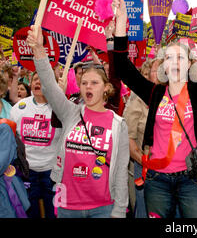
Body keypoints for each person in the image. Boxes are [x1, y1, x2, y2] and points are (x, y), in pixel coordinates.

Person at [112, 0, 197, 218]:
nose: (174, 62)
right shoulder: (154, 93)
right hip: (157, 180)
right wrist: (122, 22)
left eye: (180, 57)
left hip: (192, 180)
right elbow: (123, 68)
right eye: (170, 58)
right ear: (163, 65)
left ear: (189, 64)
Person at [26, 26, 129, 218]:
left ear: (106, 88)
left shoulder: (118, 124)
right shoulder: (70, 113)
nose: (88, 86)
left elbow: (121, 172)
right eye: (84, 83)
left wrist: (120, 211)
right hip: (68, 206)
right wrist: (39, 49)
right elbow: (49, 86)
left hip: (104, 207)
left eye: (94, 83)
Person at [10, 71, 61, 218]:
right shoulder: (19, 107)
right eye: (35, 80)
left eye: (43, 79)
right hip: (27, 171)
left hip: (51, 171)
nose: (38, 82)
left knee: (53, 212)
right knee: (30, 211)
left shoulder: (60, 108)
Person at [123, 58, 159, 218]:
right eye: (154, 71)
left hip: (172, 170)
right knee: (145, 210)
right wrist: (145, 163)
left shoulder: (174, 97)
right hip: (144, 166)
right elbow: (128, 137)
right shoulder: (137, 100)